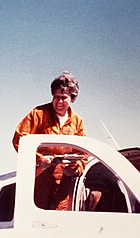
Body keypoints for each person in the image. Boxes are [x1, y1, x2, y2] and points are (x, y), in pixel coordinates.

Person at [12, 71, 86, 210]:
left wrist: (74, 170)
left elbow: (83, 154)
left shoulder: (77, 122)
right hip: (39, 179)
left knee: (58, 221)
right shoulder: (38, 114)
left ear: (72, 98)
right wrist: (40, 159)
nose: (59, 101)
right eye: (56, 97)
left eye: (64, 97)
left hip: (64, 184)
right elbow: (19, 139)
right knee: (36, 217)